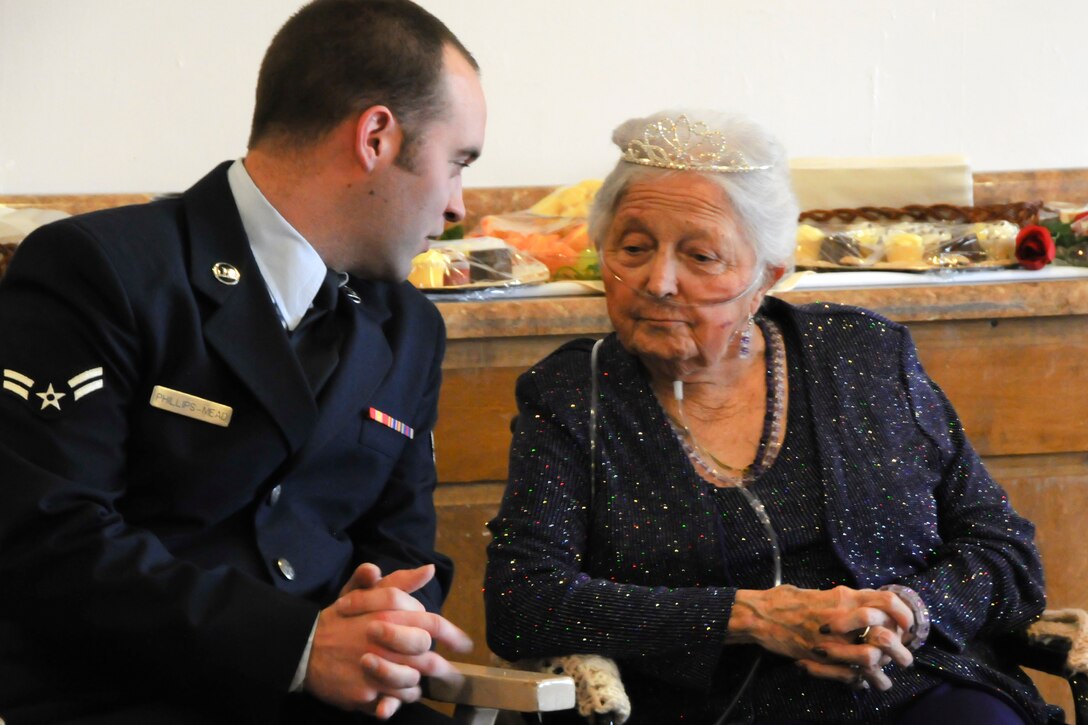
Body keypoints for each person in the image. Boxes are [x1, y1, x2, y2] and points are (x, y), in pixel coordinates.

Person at [0, 0, 486, 722]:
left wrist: (387, 628)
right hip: (127, 695)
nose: (458, 206)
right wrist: (297, 645)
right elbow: (50, 540)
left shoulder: (408, 323)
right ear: (376, 136)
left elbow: (401, 542)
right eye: (457, 163)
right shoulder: (102, 268)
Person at [484, 110, 1049, 724]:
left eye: (701, 256)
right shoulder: (572, 393)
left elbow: (1005, 551)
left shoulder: (863, 356)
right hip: (700, 708)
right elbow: (523, 600)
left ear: (766, 277)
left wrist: (906, 612)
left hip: (907, 688)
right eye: (634, 247)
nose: (659, 281)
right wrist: (751, 617)